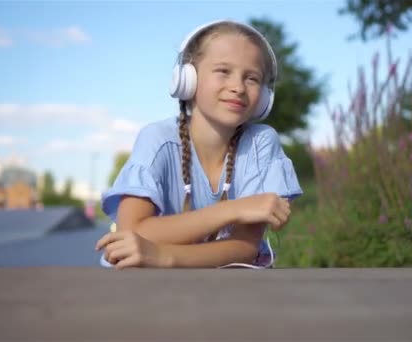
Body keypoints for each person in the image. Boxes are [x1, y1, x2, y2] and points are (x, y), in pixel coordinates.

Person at [95, 19, 303, 269]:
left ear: (264, 98)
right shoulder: (157, 140)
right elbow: (131, 232)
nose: (238, 87)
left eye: (252, 78)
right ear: (187, 80)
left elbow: (244, 248)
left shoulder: (260, 144)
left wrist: (161, 255)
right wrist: (235, 209)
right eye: (223, 71)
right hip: (145, 288)